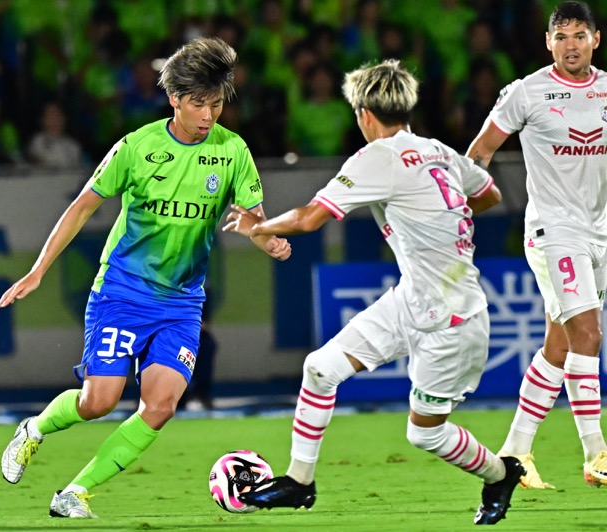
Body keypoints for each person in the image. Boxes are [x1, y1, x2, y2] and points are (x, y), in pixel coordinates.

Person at [0, 36, 291, 519]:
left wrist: (268, 238)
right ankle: (34, 429)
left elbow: (253, 218)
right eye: (198, 103)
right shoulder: (136, 148)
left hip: (181, 303)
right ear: (174, 99)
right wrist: (37, 270)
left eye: (216, 104)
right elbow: (80, 208)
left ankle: (74, 493)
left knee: (159, 405)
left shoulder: (233, 151)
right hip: (122, 293)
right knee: (99, 401)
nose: (208, 115)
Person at [224, 59, 519, 526]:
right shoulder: (436, 149)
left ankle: (500, 472)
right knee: (320, 368)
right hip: (412, 299)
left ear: (363, 112)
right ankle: (300, 482)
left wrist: (257, 226)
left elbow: (306, 219)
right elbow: (489, 195)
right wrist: (444, 221)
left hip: (451, 319)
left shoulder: (376, 157)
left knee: (425, 435)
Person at [465, 0, 607, 490]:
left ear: (596, 39)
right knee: (588, 333)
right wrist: (462, 213)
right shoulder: (527, 93)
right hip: (553, 232)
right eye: (562, 36)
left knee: (561, 343)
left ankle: (515, 450)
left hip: (600, 234)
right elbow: (479, 153)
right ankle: (596, 454)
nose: (571, 44)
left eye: (580, 35)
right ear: (548, 42)